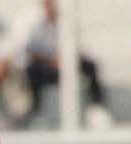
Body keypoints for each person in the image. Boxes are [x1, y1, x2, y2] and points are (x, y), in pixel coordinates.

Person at [19, 0, 111, 128]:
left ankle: (96, 106)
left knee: (90, 65)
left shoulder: (65, 20)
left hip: (66, 63)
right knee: (32, 69)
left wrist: (67, 58)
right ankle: (36, 110)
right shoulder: (32, 22)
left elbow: (77, 46)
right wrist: (52, 60)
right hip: (46, 66)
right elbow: (29, 50)